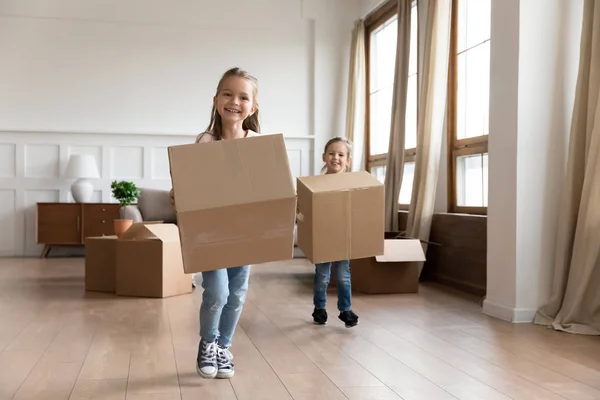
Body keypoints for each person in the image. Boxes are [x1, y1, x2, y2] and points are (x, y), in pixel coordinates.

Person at [170, 67, 260, 379]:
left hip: (245, 233)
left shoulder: (260, 144)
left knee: (237, 294)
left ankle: (224, 346)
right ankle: (208, 343)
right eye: (228, 93)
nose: (234, 101)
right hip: (210, 232)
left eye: (243, 97)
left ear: (253, 107)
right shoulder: (205, 141)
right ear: (216, 100)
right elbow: (190, 184)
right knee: (217, 292)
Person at [311, 136, 359, 328]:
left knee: (343, 276)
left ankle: (345, 310)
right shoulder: (315, 184)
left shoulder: (353, 184)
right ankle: (320, 308)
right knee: (322, 277)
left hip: (343, 238)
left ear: (348, 160)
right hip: (323, 238)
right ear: (324, 157)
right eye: (331, 153)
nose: (335, 158)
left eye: (341, 154)